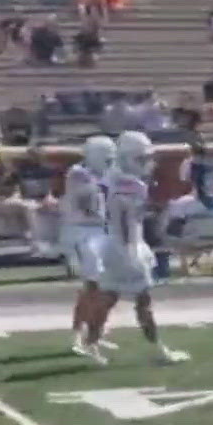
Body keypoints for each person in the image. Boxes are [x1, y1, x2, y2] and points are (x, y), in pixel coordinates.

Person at [86, 131, 189, 365]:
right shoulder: (130, 184)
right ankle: (158, 349)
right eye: (141, 159)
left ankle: (91, 344)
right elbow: (128, 220)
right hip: (127, 245)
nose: (146, 164)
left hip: (113, 243)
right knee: (142, 301)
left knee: (108, 297)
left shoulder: (108, 178)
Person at [63, 135, 118, 359]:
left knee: (104, 286)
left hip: (103, 232)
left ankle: (95, 332)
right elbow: (89, 205)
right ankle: (80, 334)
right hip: (83, 232)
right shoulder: (78, 174)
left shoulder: (108, 172)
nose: (109, 161)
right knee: (92, 286)